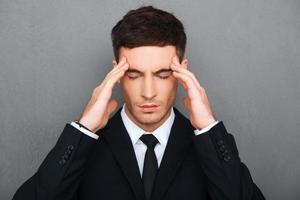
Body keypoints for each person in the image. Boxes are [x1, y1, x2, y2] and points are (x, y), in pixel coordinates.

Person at [12, 5, 265, 200]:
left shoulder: (207, 145)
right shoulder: (85, 145)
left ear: (181, 72)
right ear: (117, 74)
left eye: (163, 75)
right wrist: (84, 128)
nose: (148, 92)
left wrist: (208, 127)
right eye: (134, 75)